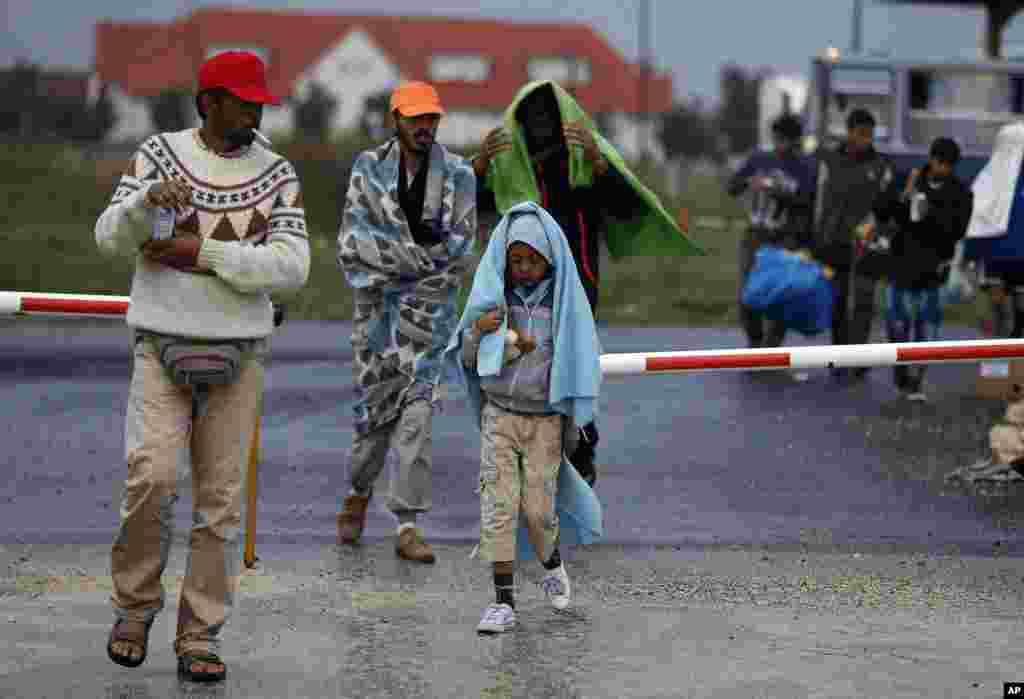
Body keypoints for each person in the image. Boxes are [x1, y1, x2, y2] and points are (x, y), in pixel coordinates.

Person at [94, 51, 309, 683]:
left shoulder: (278, 174)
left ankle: (199, 635)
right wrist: (142, 208)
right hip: (159, 346)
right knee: (151, 479)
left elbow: (294, 269)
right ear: (207, 101)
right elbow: (108, 238)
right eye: (242, 100)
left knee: (219, 506)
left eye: (259, 100)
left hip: (239, 354)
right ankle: (133, 611)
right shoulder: (157, 155)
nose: (255, 109)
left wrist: (205, 252)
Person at [470, 79, 702, 486]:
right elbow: (475, 208)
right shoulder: (511, 163)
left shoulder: (585, 158)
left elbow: (627, 207)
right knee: (525, 368)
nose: (541, 126)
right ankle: (527, 457)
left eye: (548, 116)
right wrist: (479, 169)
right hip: (522, 289)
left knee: (572, 364)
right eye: (533, 118)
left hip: (577, 285)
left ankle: (582, 449)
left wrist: (598, 164)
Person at [442, 202, 603, 634]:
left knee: (536, 511)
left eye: (532, 260)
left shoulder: (565, 307)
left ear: (549, 259)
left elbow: (579, 362)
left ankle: (551, 563)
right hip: (500, 417)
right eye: (516, 260)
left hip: (545, 423)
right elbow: (471, 361)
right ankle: (502, 601)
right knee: (498, 506)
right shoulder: (494, 305)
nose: (524, 269)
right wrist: (478, 334)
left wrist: (578, 421)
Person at [335, 81, 476, 563]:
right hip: (376, 318)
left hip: (430, 317)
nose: (425, 127)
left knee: (418, 417)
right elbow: (354, 244)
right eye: (415, 118)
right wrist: (419, 258)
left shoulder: (459, 174)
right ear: (395, 119)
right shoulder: (368, 170)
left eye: (432, 118)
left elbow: (459, 249)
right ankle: (357, 493)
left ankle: (407, 524)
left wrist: (399, 259)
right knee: (374, 424)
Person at [878, 137, 972, 401]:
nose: (941, 168)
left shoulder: (960, 193)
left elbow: (957, 230)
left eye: (947, 165)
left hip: (933, 267)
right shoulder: (910, 178)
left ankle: (917, 380)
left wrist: (930, 212)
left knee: (926, 326)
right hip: (901, 262)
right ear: (931, 158)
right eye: (938, 162)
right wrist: (904, 195)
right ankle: (900, 368)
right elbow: (887, 213)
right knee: (897, 321)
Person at [812, 108, 897, 382]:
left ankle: (858, 360)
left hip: (867, 245)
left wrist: (881, 234)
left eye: (870, 135)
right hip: (834, 243)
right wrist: (817, 237)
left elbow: (888, 208)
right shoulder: (829, 161)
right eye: (861, 134)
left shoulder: (882, 166)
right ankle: (839, 357)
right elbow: (820, 201)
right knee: (837, 302)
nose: (866, 140)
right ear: (849, 133)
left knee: (863, 302)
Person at [727, 113, 816, 352]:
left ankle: (771, 348)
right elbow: (732, 187)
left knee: (777, 296)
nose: (780, 145)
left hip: (784, 238)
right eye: (777, 139)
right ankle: (754, 341)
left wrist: (778, 192)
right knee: (748, 294)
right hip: (755, 234)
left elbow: (807, 202)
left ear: (796, 141)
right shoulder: (759, 159)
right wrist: (748, 183)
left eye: (786, 141)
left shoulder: (804, 167)